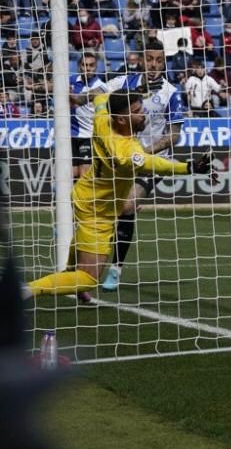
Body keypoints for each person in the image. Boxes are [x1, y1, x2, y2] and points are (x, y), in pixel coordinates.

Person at [25, 91, 211, 298]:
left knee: (81, 249)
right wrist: (190, 167)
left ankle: (70, 274)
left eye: (141, 107)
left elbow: (100, 98)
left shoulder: (103, 117)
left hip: (85, 193)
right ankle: (25, 291)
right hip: (98, 211)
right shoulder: (125, 151)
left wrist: (88, 97)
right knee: (89, 279)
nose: (144, 114)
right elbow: (155, 164)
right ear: (122, 119)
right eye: (137, 111)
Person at [97, 40, 185, 294]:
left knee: (127, 204)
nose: (154, 65)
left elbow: (174, 135)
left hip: (150, 161)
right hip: (122, 158)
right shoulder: (124, 83)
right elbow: (96, 94)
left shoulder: (170, 92)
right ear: (141, 60)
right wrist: (74, 98)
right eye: (150, 59)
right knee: (108, 208)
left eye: (159, 60)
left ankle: (116, 268)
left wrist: (144, 153)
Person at [69, 52, 109, 178]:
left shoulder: (101, 87)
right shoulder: (72, 80)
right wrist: (36, 87)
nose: (88, 68)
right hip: (70, 135)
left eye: (91, 65)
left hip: (88, 136)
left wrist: (68, 94)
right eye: (84, 65)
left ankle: (87, 198)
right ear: (79, 66)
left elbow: (79, 100)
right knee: (69, 175)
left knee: (84, 176)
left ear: (96, 67)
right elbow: (52, 86)